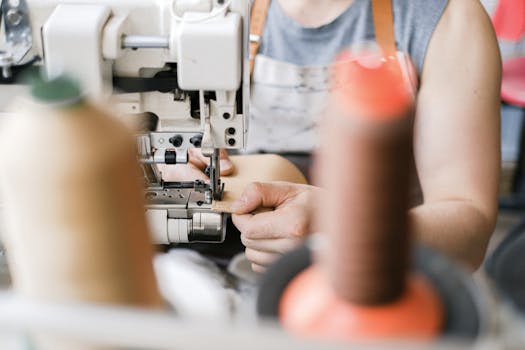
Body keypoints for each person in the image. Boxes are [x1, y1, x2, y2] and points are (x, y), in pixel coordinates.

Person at [170, 0, 502, 272]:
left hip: (382, 273)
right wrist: (172, 163)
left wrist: (352, 229)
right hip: (236, 256)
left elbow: (469, 230)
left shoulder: (449, 17)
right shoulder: (206, 12)